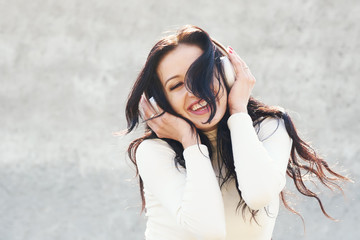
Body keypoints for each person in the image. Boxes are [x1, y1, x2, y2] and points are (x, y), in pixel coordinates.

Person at [124, 25, 348, 240]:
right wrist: (189, 142)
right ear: (161, 102)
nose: (193, 90)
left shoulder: (269, 127)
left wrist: (238, 110)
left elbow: (258, 193)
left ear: (227, 72)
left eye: (201, 74)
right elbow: (209, 231)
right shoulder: (154, 151)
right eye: (176, 85)